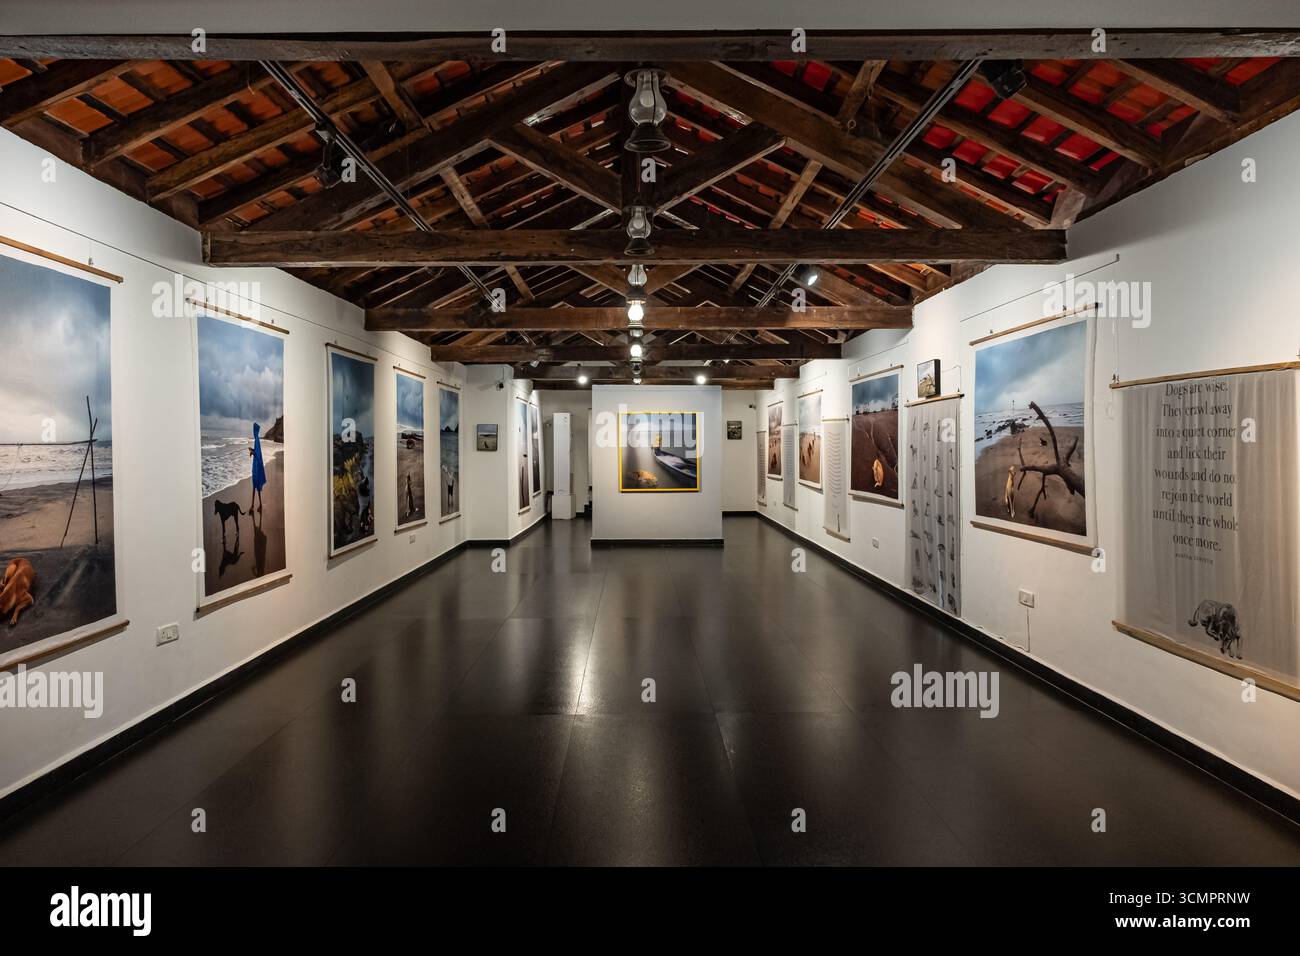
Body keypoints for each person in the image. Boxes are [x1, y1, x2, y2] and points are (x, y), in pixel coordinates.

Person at [249, 421, 267, 514]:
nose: (253, 431)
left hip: (256, 467)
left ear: (255, 430)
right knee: (256, 488)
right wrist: (252, 451)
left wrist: (252, 452)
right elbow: (257, 453)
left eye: (254, 429)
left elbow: (257, 454)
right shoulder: (257, 439)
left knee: (255, 487)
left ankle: (254, 506)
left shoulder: (257, 440)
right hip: (256, 466)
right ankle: (256, 505)